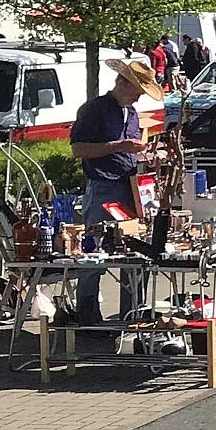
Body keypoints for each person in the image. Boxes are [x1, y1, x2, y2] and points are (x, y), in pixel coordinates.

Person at [67, 58, 162, 323]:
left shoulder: (131, 113)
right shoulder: (94, 109)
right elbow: (78, 150)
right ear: (122, 83)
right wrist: (118, 146)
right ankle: (87, 314)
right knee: (94, 251)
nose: (139, 99)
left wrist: (148, 156)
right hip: (102, 186)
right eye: (136, 92)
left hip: (129, 186)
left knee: (134, 250)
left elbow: (130, 151)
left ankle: (131, 311)